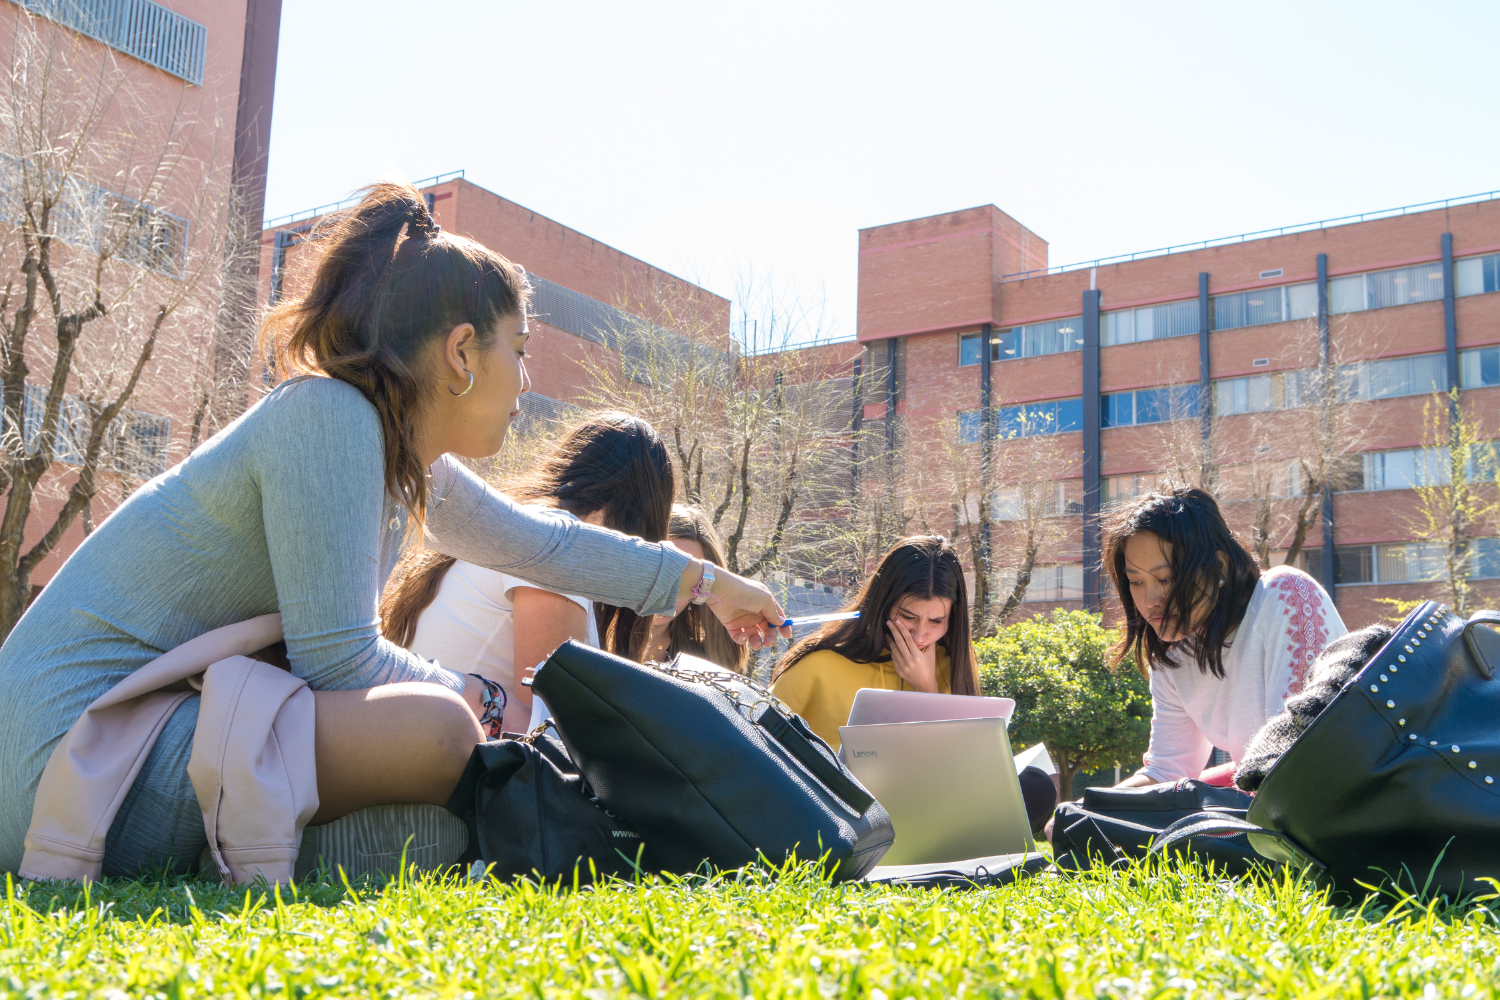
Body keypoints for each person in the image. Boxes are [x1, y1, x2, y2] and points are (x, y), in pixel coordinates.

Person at [0, 182, 789, 877]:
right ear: (460, 353)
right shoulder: (329, 418)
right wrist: (481, 699)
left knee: (448, 791)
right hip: (68, 759)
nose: (524, 382)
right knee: (436, 730)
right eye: (519, 351)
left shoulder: (397, 453)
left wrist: (710, 586)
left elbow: (542, 544)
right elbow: (339, 658)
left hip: (148, 740)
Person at [381, 411, 677, 735]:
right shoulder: (559, 544)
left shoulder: (521, 526)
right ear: (643, 513)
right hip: (446, 759)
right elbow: (546, 725)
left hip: (412, 740)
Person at [1104, 485, 1347, 787]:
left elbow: (1296, 760)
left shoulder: (1287, 595)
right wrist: (1085, 809)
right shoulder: (1171, 653)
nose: (1150, 598)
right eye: (1135, 581)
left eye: (1165, 578)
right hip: (1263, 788)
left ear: (1218, 566)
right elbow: (1167, 772)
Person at [771, 536, 980, 750]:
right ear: (884, 605)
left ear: (953, 618)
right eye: (908, 617)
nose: (919, 636)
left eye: (936, 621)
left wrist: (927, 689)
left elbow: (955, 761)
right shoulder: (817, 666)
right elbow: (756, 745)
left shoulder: (954, 669)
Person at [630, 505, 748, 673]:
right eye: (665, 570)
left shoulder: (706, 661)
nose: (669, 590)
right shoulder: (589, 631)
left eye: (689, 578)